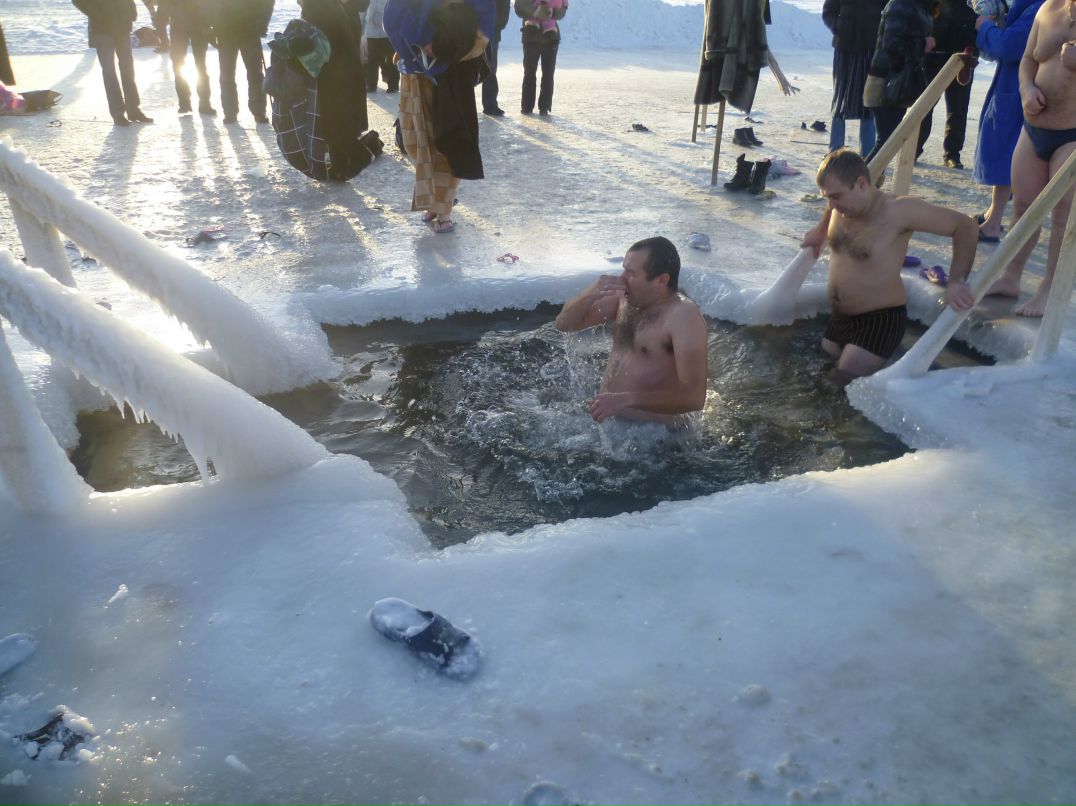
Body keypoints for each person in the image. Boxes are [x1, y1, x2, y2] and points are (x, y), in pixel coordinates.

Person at [801, 149, 978, 378]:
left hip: (878, 322)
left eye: (835, 197)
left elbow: (965, 226)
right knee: (817, 375)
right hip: (840, 319)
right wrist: (820, 230)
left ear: (862, 184)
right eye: (827, 198)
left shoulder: (899, 211)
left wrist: (957, 280)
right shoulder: (842, 205)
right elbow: (832, 204)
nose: (832, 206)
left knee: (836, 386)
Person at [554, 237, 708, 424]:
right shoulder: (625, 301)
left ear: (661, 280)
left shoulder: (683, 315)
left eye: (631, 273)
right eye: (624, 269)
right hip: (611, 423)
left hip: (659, 439)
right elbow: (564, 324)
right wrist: (591, 292)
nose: (622, 279)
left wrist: (627, 399)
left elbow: (694, 397)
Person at [985, 0, 1076, 316]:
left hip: (1072, 133)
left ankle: (1049, 289)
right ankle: (1011, 277)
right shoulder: (1048, 8)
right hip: (1035, 127)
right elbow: (1027, 59)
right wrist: (1025, 89)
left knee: (1063, 216)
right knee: (1023, 206)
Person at [385, 0, 494, 233]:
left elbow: (482, 27)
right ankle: (435, 201)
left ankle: (443, 209)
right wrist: (410, 49)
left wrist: (444, 46)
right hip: (414, 74)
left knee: (447, 142)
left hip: (450, 76)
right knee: (416, 142)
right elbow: (394, 14)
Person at [972, 0, 1045, 242]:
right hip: (1016, 87)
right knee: (1006, 152)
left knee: (1008, 156)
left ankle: (994, 224)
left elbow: (1009, 45)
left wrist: (985, 28)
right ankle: (995, 213)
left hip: (1022, 91)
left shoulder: (1041, 8)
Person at [301, 0, 378, 181]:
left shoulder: (319, 8)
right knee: (338, 121)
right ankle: (339, 168)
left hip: (336, 75)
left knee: (332, 124)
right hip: (345, 72)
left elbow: (315, 43)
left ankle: (359, 155)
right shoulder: (334, 7)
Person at [862, 0, 936, 164]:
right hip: (886, 82)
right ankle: (860, 185)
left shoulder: (918, 6)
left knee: (889, 142)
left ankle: (867, 184)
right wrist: (923, 43)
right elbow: (892, 44)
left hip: (901, 81)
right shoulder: (900, 5)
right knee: (886, 143)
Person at [915, 0, 979, 168]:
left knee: (958, 110)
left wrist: (973, 57)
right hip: (933, 60)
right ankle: (914, 149)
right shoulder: (933, 5)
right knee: (924, 108)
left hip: (961, 61)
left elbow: (979, 31)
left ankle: (952, 154)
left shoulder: (972, 7)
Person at [72, 0, 154, 125]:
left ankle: (134, 110)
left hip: (122, 25)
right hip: (102, 29)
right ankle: (118, 113)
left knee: (128, 69)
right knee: (109, 71)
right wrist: (96, 13)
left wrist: (131, 11)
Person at [822, 0, 884, 155]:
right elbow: (828, 12)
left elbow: (889, 12)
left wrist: (879, 33)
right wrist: (838, 27)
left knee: (869, 100)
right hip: (844, 48)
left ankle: (868, 154)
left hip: (870, 49)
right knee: (840, 99)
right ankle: (835, 151)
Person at [211, 0, 273, 124]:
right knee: (227, 74)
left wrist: (262, 24)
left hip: (249, 31)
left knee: (255, 73)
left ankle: (259, 111)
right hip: (225, 32)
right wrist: (213, 26)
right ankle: (230, 111)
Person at [514, 0, 567, 115]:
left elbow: (563, 10)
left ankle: (545, 107)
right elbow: (518, 9)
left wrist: (551, 11)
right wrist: (536, 11)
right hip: (531, 36)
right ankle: (527, 107)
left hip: (551, 37)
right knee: (529, 72)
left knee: (548, 74)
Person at [163, 0, 215, 115]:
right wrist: (174, 13)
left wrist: (208, 21)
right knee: (178, 64)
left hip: (199, 24)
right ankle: (184, 102)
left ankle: (204, 103)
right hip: (178, 25)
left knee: (201, 65)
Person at [361, 0, 400, 93]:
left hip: (380, 33)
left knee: (374, 60)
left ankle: (373, 85)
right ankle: (391, 85)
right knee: (381, 60)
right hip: (380, 33)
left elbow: (366, 15)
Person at [480, 0, 510, 115]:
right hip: (473, 32)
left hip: (492, 33)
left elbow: (504, 13)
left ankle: (490, 104)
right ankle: (465, 104)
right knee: (468, 69)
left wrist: (493, 25)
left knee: (490, 68)